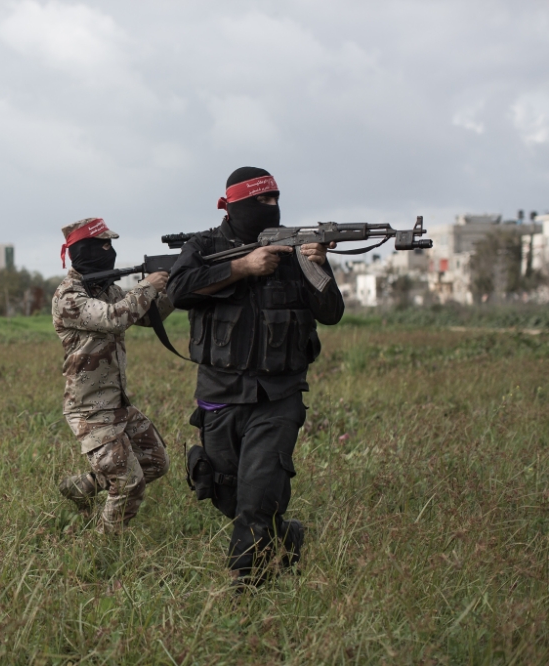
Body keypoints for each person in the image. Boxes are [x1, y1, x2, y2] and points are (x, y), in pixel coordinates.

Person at [166, 167, 344, 588]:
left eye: (275, 200)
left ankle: (244, 591)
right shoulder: (205, 245)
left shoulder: (296, 249)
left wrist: (319, 265)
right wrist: (243, 267)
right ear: (234, 206)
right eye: (260, 202)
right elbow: (179, 290)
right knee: (227, 493)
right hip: (220, 395)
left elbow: (332, 312)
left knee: (257, 497)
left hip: (278, 396)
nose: (271, 208)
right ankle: (287, 535)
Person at [52, 217, 175, 534]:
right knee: (129, 484)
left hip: (116, 402)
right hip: (89, 408)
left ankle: (86, 485)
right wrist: (147, 286)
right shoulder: (68, 297)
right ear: (82, 251)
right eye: (102, 245)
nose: (110, 252)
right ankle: (101, 551)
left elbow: (148, 315)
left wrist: (176, 286)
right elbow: (113, 319)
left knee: (155, 462)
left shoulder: (109, 290)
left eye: (111, 245)